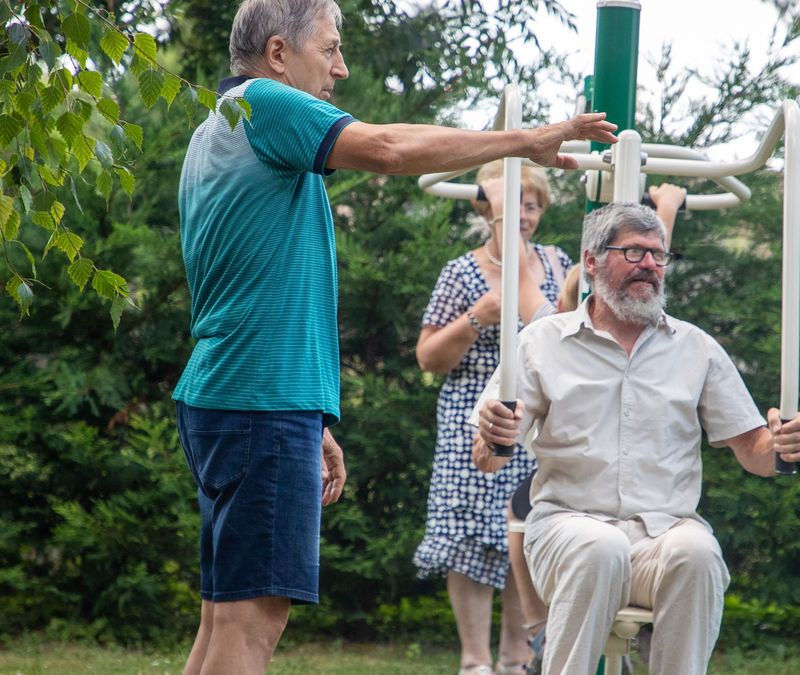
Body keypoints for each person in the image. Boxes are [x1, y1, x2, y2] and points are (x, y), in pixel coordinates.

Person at [172, 0, 618, 672]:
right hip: (258, 400)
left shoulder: (220, 126)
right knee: (252, 624)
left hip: (239, 395)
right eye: (329, 48)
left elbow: (250, 283)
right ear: (276, 54)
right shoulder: (264, 103)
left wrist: (311, 414)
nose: (340, 68)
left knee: (224, 621)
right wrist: (523, 142)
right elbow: (386, 149)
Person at [474, 202, 800, 675]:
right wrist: (494, 436)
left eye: (658, 255)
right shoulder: (541, 342)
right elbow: (488, 458)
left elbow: (755, 451)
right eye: (634, 252)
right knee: (600, 547)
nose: (651, 265)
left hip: (663, 534)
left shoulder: (695, 347)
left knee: (698, 553)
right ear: (591, 261)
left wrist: (784, 443)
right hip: (568, 528)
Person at [416, 178, 686, 675]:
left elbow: (643, 264)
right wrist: (502, 205)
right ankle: (509, 647)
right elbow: (523, 274)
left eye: (533, 206)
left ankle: (533, 640)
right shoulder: (543, 321)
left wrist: (663, 210)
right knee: (511, 521)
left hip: (563, 428)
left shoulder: (565, 313)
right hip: (507, 421)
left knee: (534, 513)